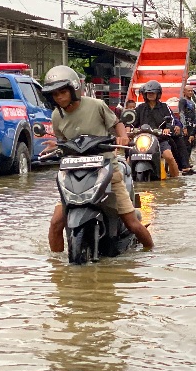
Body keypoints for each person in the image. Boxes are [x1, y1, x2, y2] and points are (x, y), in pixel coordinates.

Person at [40, 65, 153, 251]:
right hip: (75, 174)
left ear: (74, 89)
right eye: (55, 94)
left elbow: (117, 124)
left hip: (107, 169)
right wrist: (55, 146)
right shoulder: (56, 116)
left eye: (63, 92)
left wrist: (122, 136)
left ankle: (151, 252)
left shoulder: (96, 105)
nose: (59, 97)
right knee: (55, 224)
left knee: (132, 222)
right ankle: (57, 268)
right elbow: (63, 141)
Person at [134, 80, 180, 178]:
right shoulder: (140, 108)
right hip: (142, 139)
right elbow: (133, 121)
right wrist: (128, 127)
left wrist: (167, 129)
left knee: (169, 157)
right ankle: (128, 179)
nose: (150, 95)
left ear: (158, 94)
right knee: (129, 158)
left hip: (160, 139)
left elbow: (171, 120)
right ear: (145, 94)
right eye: (148, 93)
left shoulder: (164, 107)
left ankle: (176, 180)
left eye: (152, 93)